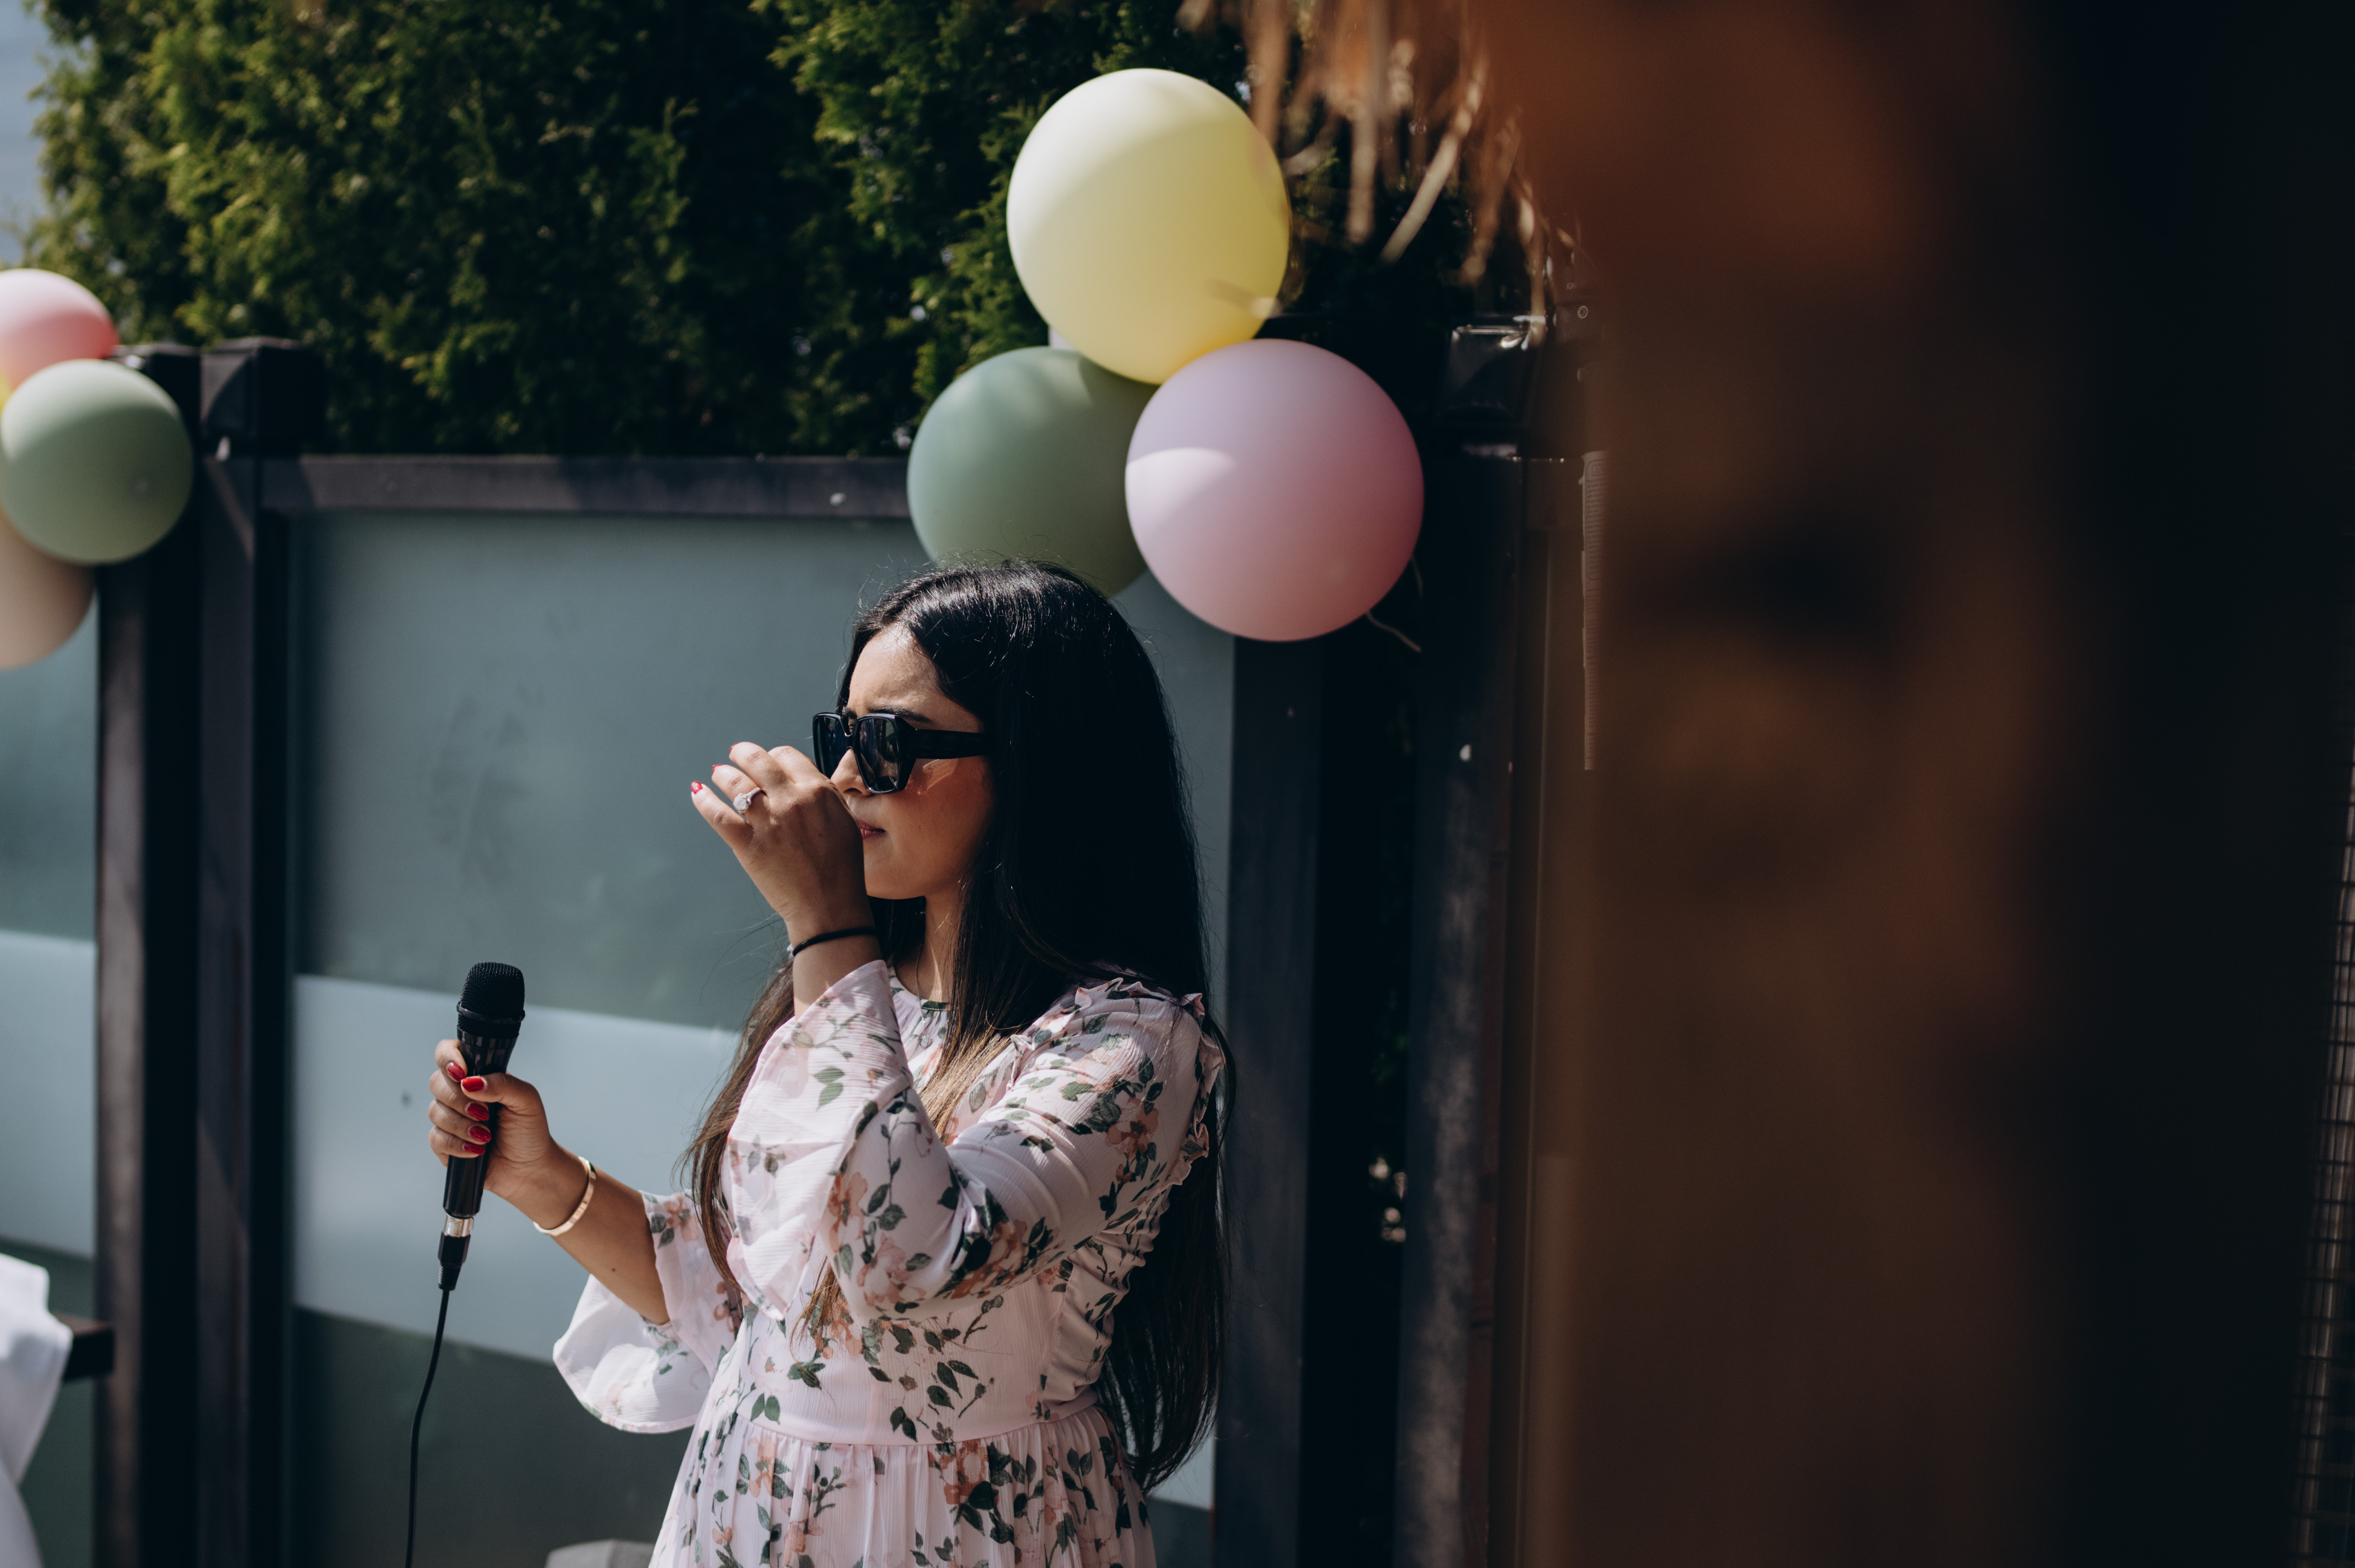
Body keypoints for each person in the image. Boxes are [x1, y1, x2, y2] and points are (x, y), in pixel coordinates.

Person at [420, 561, 1227, 1567]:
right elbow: (749, 1305)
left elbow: (905, 1259)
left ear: (1038, 763)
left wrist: (825, 921)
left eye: (889, 743)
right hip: (745, 1515)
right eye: (839, 735)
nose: (844, 777)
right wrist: (540, 1176)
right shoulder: (866, 994)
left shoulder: (1131, 1044)